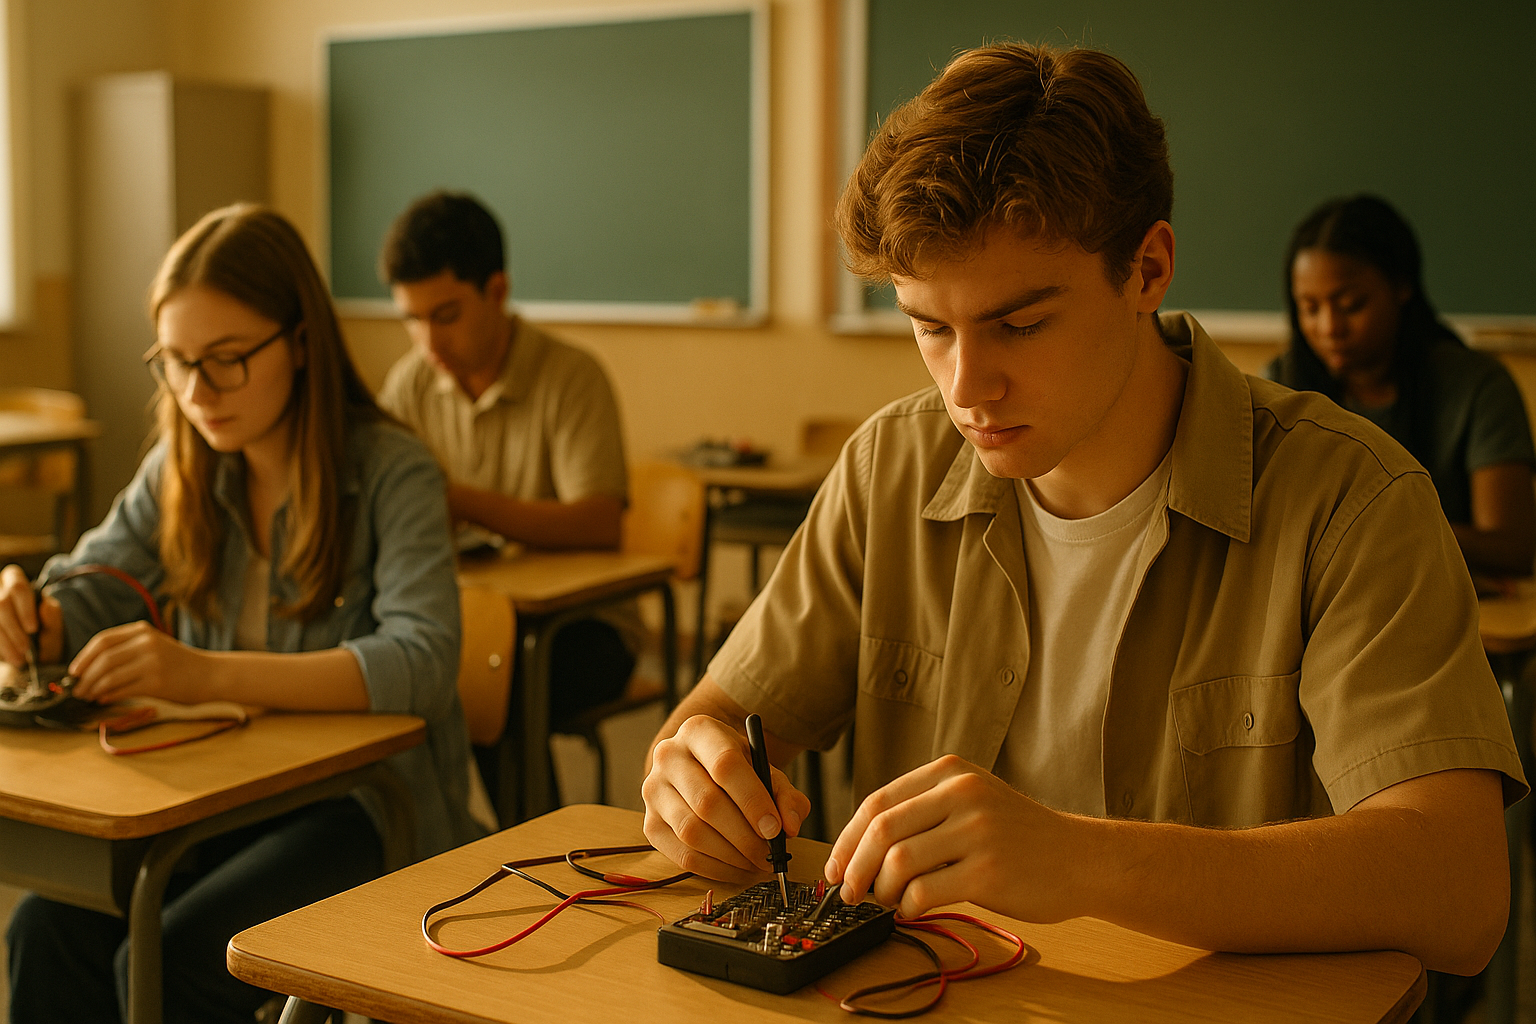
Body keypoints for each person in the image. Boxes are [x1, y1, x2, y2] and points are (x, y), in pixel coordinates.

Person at [640, 43, 1524, 976]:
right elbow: (721, 721)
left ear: (1148, 269)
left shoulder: (1352, 497)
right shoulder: (887, 468)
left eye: (1020, 323)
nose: (965, 387)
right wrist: (690, 776)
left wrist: (1080, 858)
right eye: (929, 327)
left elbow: (1461, 892)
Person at [2, 204, 482, 1024]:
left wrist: (204, 673)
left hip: (365, 808)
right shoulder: (183, 466)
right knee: (44, 928)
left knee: (180, 954)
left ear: (299, 343)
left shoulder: (390, 469)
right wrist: (34, 614)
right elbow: (92, 580)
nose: (196, 393)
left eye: (225, 361)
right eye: (176, 362)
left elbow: (423, 660)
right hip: (223, 798)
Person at [376, 191, 639, 740]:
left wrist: (455, 500)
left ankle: (529, 825)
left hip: (583, 626)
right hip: (469, 614)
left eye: (445, 316)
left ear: (496, 290)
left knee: (483, 686)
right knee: (396, 675)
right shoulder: (411, 382)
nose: (428, 341)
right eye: (412, 320)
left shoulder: (571, 375)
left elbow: (598, 522)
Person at [1267, 194, 1536, 578]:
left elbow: (1511, 549)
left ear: (1402, 287)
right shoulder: (1280, 387)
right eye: (1309, 308)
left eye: (1351, 304)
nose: (1329, 328)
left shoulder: (1478, 386)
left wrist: (1372, 524)